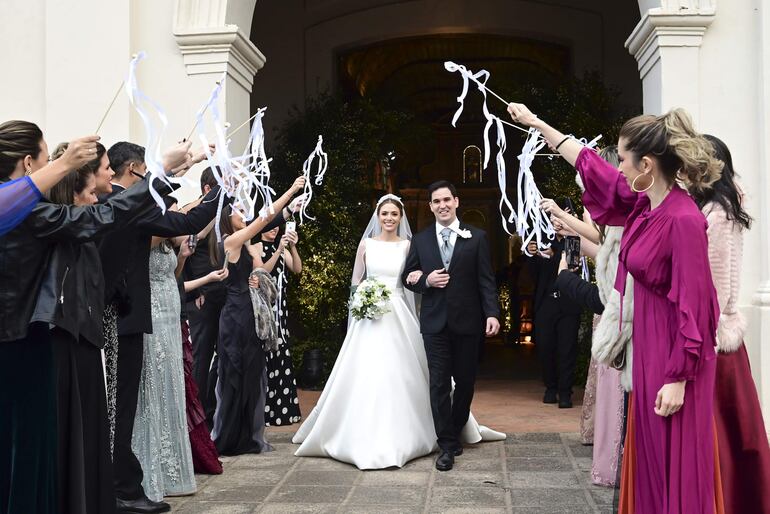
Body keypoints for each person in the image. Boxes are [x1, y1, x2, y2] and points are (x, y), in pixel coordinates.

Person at [508, 102, 722, 513]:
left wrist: (679, 376)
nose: (618, 167)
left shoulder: (683, 219)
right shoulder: (644, 205)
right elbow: (593, 168)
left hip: (676, 355)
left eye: (623, 159)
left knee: (671, 459)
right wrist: (537, 123)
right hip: (649, 346)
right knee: (649, 458)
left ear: (647, 164)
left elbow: (698, 305)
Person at [0, 121, 189, 514]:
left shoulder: (21, 208)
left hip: (19, 341)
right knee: (29, 452)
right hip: (24, 343)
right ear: (28, 162)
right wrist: (159, 174)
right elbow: (100, 218)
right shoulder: (27, 213)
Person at [293, 193, 504, 470]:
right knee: (367, 373)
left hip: (398, 314)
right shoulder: (366, 244)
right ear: (378, 217)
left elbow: (410, 277)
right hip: (368, 318)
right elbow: (357, 281)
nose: (389, 218)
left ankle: (434, 432)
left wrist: (418, 279)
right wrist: (363, 301)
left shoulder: (409, 245)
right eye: (384, 214)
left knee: (412, 372)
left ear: (400, 217)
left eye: (394, 214)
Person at [97, 140, 224, 514]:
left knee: (124, 405)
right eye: (103, 168)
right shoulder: (110, 205)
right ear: (133, 170)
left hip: (130, 317)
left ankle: (124, 485)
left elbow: (185, 222)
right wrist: (167, 172)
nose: (105, 174)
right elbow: (161, 210)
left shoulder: (128, 205)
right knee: (119, 407)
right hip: (117, 317)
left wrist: (220, 190)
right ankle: (121, 488)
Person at [691, 135, 770, 513]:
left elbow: (718, 282)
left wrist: (702, 333)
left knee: (724, 437)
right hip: (712, 335)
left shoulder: (720, 212)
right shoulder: (710, 207)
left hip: (715, 339)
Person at [401, 181, 502, 471]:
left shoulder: (477, 237)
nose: (442, 205)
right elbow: (407, 275)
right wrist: (426, 280)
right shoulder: (420, 241)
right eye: (436, 201)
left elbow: (486, 280)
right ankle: (446, 443)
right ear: (431, 206)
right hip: (434, 323)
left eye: (447, 199)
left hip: (469, 322)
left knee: (466, 382)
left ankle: (456, 428)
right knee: (439, 383)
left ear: (456, 202)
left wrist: (492, 314)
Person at [212, 177, 305, 455]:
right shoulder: (230, 240)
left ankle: (247, 437)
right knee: (234, 373)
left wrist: (255, 273)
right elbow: (264, 220)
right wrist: (290, 191)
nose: (245, 214)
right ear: (228, 218)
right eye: (239, 210)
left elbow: (259, 271)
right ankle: (228, 437)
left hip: (251, 312)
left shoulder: (247, 245)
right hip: (235, 314)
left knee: (253, 373)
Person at [131, 234, 196, 502]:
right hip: (153, 309)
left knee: (172, 382)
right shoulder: (150, 236)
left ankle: (174, 472)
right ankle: (149, 469)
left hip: (171, 308)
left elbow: (175, 274)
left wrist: (181, 258)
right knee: (153, 383)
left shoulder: (168, 241)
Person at [525, 205, 583, 409]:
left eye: (562, 218)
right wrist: (531, 254)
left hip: (568, 303)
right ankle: (550, 387)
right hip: (546, 302)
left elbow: (572, 266)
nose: (557, 222)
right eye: (554, 218)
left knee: (567, 349)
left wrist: (555, 253)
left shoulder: (575, 241)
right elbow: (534, 275)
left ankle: (565, 392)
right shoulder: (542, 240)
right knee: (545, 346)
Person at [0, 120, 100, 236]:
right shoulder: (28, 209)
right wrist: (65, 163)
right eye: (47, 160)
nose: (50, 166)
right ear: (28, 163)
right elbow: (84, 221)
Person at [250, 225, 302, 426]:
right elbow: (262, 271)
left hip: (281, 308)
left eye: (276, 226)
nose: (274, 229)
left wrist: (293, 248)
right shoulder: (254, 247)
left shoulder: (284, 248)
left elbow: (297, 269)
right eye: (269, 225)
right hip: (264, 308)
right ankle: (264, 412)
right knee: (265, 353)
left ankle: (282, 410)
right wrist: (279, 249)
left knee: (281, 352)